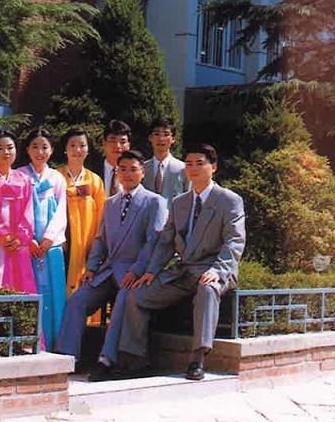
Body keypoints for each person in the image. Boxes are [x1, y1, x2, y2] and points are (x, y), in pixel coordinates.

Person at [117, 143, 246, 381]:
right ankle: (134, 357)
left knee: (207, 290)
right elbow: (166, 241)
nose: (193, 168)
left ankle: (198, 358)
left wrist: (218, 270)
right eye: (188, 164)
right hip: (182, 271)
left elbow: (235, 241)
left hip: (213, 269)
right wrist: (151, 271)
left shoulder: (229, 200)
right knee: (136, 295)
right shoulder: (179, 202)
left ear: (213, 167)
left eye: (200, 163)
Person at [55, 150, 168, 378]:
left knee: (123, 301)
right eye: (122, 169)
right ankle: (68, 356)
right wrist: (91, 268)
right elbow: (101, 240)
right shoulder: (111, 203)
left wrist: (137, 270)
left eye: (133, 169)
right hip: (107, 270)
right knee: (77, 300)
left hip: (134, 272)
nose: (127, 174)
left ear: (143, 172)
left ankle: (107, 359)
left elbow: (153, 242)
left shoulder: (155, 202)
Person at [18, 128, 68, 350]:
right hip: (26, 246)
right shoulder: (19, 175)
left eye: (44, 147)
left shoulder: (57, 178)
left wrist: (48, 239)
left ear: (52, 150)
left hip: (50, 247)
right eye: (35, 147)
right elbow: (18, 212)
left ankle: (54, 341)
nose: (40, 152)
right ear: (27, 150)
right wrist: (28, 239)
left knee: (53, 293)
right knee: (29, 291)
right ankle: (29, 342)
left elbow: (61, 211)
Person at [0, 130, 36, 294]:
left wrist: (19, 237)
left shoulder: (24, 180)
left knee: (19, 286)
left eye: (10, 147)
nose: (5, 152)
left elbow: (28, 212)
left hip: (17, 244)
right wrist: (1, 234)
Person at [57, 127, 105, 296]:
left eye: (82, 145)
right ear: (65, 149)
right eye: (72, 145)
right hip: (62, 240)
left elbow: (102, 215)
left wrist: (97, 243)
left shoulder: (95, 180)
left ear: (88, 150)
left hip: (86, 242)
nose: (77, 150)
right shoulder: (56, 176)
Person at [142, 117, 190, 204]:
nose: (161, 139)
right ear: (150, 137)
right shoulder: (142, 168)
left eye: (166, 134)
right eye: (157, 134)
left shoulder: (183, 168)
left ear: (173, 139)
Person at [96, 120, 132, 197]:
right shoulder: (92, 172)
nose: (118, 146)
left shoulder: (136, 173)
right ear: (104, 143)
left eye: (123, 142)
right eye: (113, 141)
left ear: (128, 145)